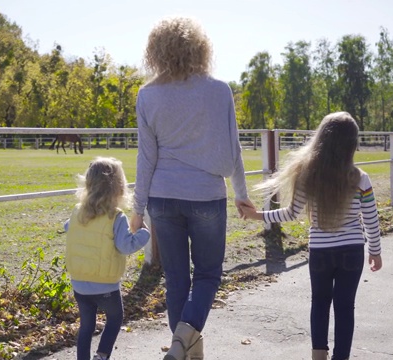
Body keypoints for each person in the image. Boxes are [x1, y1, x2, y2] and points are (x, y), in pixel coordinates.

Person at [129, 16, 254, 360]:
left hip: (162, 198)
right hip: (206, 196)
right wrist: (242, 195)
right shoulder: (218, 90)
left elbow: (146, 157)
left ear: (156, 52)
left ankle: (183, 348)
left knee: (176, 280)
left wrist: (138, 209)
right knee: (209, 274)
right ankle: (185, 339)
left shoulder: (147, 95)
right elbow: (234, 149)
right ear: (200, 48)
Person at [240, 111, 383, 360]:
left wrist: (257, 215)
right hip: (352, 251)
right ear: (352, 144)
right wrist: (375, 250)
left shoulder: (308, 175)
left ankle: (318, 355)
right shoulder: (361, 178)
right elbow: (371, 219)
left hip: (320, 251)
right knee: (345, 307)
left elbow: (291, 213)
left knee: (319, 303)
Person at [65, 157, 151, 360]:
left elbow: (68, 228)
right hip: (105, 285)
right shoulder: (116, 217)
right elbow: (125, 245)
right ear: (119, 188)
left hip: (80, 283)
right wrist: (143, 234)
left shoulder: (78, 212)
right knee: (115, 318)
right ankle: (102, 355)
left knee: (86, 325)